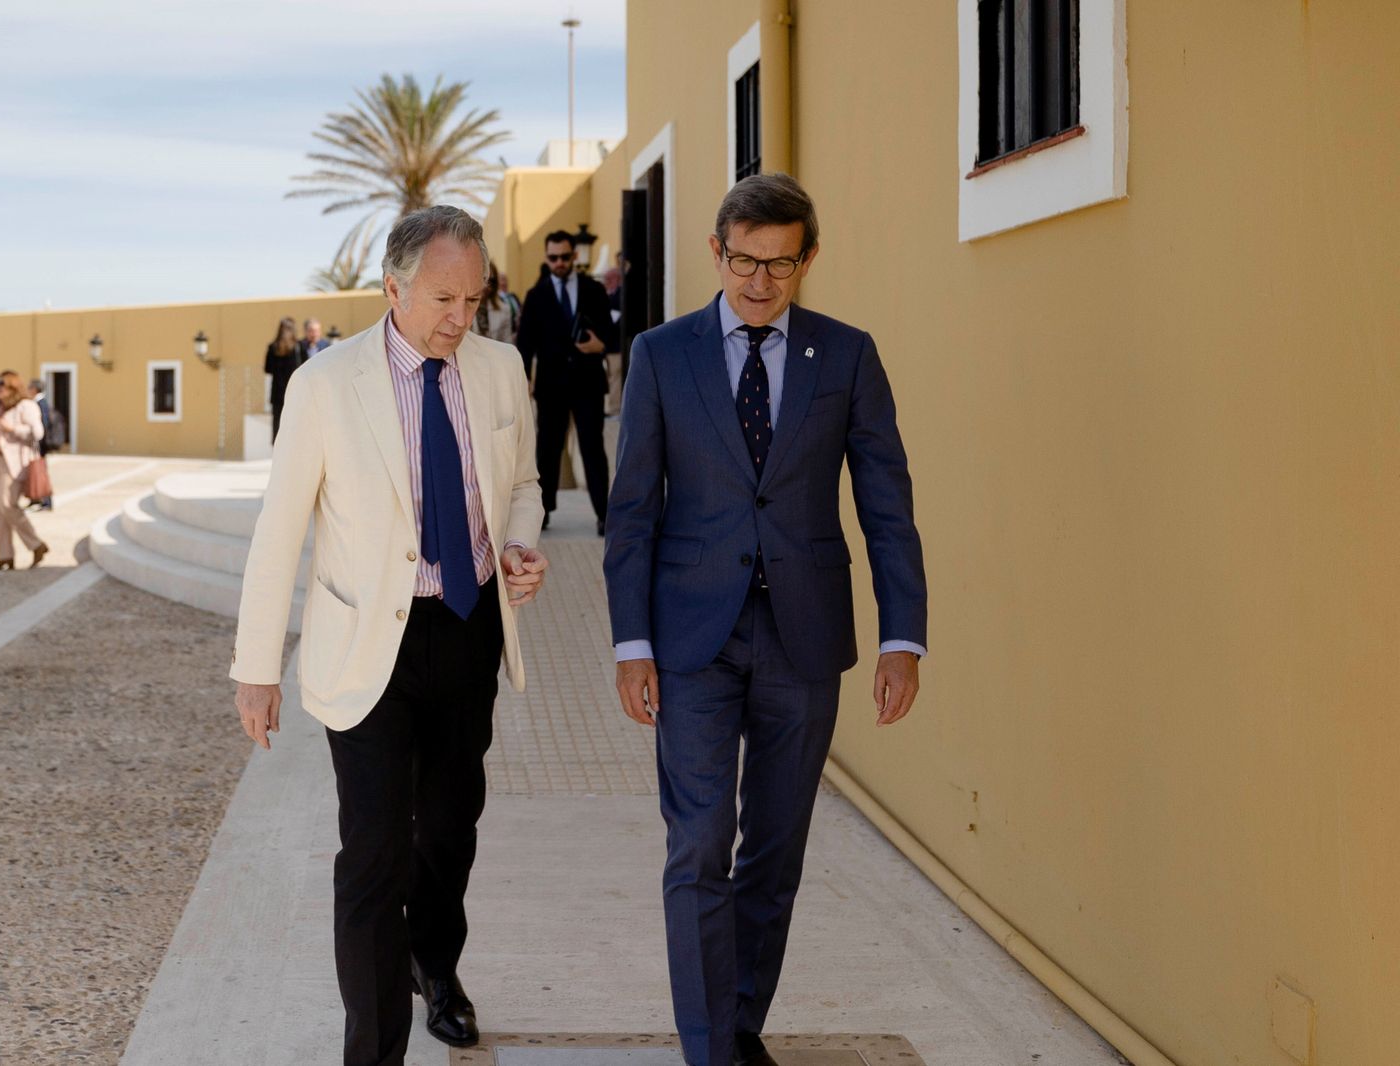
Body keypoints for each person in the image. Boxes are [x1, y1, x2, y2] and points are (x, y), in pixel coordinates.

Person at [603, 174, 928, 1066]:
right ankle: (710, 1051)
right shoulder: (663, 356)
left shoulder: (848, 356)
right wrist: (631, 642)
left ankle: (738, 1025)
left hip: (805, 638)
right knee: (700, 843)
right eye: (744, 261)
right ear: (717, 252)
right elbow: (631, 510)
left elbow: (887, 505)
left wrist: (902, 636)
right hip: (690, 640)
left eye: (779, 265)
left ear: (807, 260)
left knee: (775, 851)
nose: (758, 282)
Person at [231, 206, 549, 1066]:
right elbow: (279, 530)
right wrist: (256, 670)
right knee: (371, 853)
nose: (461, 317)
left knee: (449, 829)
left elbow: (522, 483)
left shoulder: (499, 367)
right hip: (368, 641)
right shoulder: (326, 385)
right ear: (392, 288)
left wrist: (519, 542)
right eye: (444, 298)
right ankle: (374, 1050)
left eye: (474, 299)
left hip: (469, 628)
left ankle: (434, 964)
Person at [516, 229, 618, 535]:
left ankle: (604, 514)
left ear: (574, 256)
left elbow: (612, 334)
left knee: (592, 448)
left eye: (564, 256)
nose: (559, 262)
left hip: (587, 382)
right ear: (546, 258)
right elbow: (525, 344)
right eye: (553, 257)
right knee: (547, 451)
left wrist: (600, 345)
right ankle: (541, 515)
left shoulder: (593, 290)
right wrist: (523, 380)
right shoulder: (536, 295)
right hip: (551, 387)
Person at [0, 371, 49, 571]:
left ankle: (36, 544)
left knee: (7, 505)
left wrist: (13, 429)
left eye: (2, 386)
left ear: (12, 388)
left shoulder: (25, 406)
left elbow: (37, 432)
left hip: (15, 464)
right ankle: (5, 556)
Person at [263, 315, 308, 441]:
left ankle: (278, 452)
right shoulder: (299, 347)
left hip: (277, 392)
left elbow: (267, 369)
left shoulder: (273, 347)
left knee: (278, 423)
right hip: (295, 391)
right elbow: (306, 368)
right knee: (296, 422)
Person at [25, 379, 55, 512]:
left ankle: (46, 502)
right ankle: (35, 499)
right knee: (34, 471)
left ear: (34, 389)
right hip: (37, 445)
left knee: (41, 472)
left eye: (29, 387)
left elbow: (43, 425)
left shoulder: (40, 403)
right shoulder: (39, 402)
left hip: (39, 445)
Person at [473, 261, 517, 343]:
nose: (486, 285)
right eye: (483, 278)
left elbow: (507, 344)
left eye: (491, 281)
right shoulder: (462, 308)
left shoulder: (504, 309)